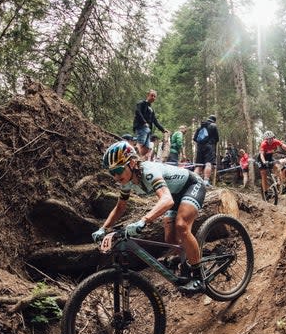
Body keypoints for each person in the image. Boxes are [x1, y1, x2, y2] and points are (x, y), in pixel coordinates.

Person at [92, 142, 207, 293]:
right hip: (174, 194)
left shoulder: (148, 171)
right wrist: (103, 228)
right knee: (170, 238)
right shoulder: (126, 181)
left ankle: (199, 277)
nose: (115, 176)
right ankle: (186, 264)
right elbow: (120, 207)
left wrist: (143, 221)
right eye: (111, 172)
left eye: (118, 170)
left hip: (191, 185)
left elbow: (166, 200)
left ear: (132, 163)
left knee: (181, 226)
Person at [257, 130, 286, 197]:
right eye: (269, 139)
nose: (271, 140)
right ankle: (265, 192)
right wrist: (264, 162)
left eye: (272, 138)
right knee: (264, 174)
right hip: (261, 159)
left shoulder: (276, 141)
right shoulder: (264, 144)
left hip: (269, 158)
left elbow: (285, 147)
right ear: (266, 139)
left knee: (278, 169)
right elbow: (261, 155)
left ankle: (282, 184)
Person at [133, 89, 167, 160]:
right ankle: (133, 158)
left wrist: (163, 130)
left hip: (148, 130)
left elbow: (155, 121)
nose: (153, 97)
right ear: (148, 95)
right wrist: (144, 122)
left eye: (155, 96)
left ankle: (138, 159)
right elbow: (137, 112)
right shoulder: (141, 103)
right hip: (141, 126)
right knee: (140, 143)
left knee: (147, 147)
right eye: (152, 95)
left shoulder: (151, 109)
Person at [193, 115, 219, 186]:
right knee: (208, 163)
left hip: (199, 148)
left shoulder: (200, 126)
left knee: (198, 165)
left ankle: (193, 181)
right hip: (209, 147)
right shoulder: (213, 126)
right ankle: (206, 181)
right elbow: (217, 138)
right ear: (214, 120)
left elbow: (195, 138)